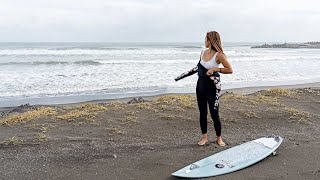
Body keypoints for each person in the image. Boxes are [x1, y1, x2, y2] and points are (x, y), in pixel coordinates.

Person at [196, 31, 233, 146]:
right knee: (202, 112)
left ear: (210, 40)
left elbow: (229, 69)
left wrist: (216, 69)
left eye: (206, 39)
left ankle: (219, 138)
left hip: (212, 88)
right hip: (200, 86)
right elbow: (199, 68)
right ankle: (204, 137)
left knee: (214, 113)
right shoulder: (202, 52)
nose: (204, 41)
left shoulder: (219, 55)